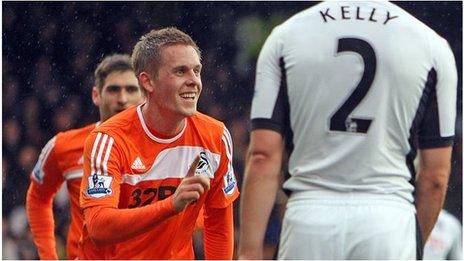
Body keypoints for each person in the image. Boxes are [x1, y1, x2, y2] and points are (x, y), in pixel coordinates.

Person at [238, 1, 457, 259]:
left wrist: (249, 253)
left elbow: (263, 156)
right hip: (388, 220)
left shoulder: (286, 36)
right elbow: (435, 177)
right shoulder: (431, 45)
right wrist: (413, 245)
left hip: (309, 219)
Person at [79, 27, 239, 259]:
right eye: (181, 71)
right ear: (148, 82)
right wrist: (171, 204)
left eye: (197, 71)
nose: (194, 81)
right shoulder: (109, 139)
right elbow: (99, 227)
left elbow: (218, 224)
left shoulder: (216, 137)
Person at [26, 54, 145, 259]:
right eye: (114, 89)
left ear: (144, 95)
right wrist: (48, 256)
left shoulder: (165, 146)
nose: (123, 99)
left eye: (131, 89)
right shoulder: (64, 146)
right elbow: (38, 197)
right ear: (96, 95)